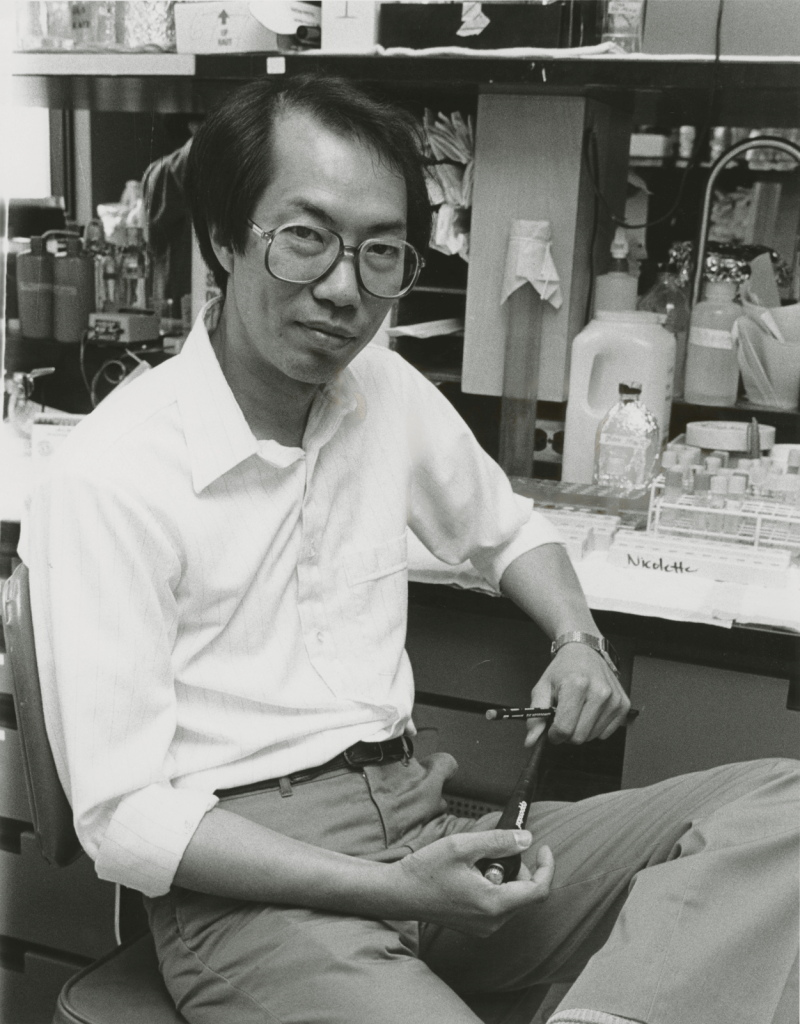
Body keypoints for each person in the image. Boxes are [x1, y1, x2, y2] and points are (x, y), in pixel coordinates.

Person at [21, 75, 798, 1024]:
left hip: (428, 828)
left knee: (781, 808)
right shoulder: (113, 474)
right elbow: (125, 821)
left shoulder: (382, 390)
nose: (345, 289)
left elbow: (508, 530)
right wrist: (398, 892)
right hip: (255, 892)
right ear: (226, 238)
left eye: (381, 252)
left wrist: (577, 639)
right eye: (304, 238)